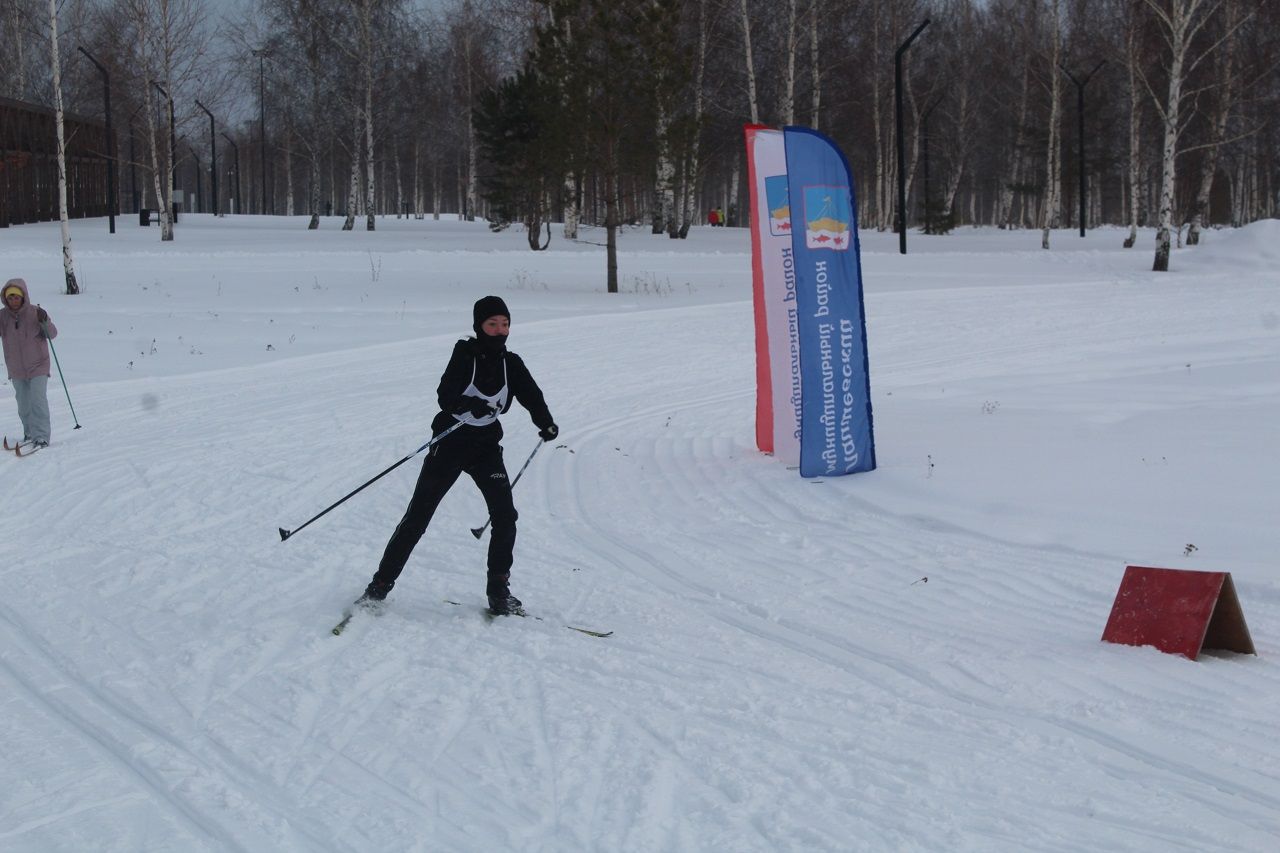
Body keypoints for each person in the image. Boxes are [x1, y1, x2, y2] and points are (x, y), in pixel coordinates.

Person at [358, 296, 558, 615]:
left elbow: (531, 395)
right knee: (418, 518)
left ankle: (498, 591)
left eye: (505, 324)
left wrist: (545, 422)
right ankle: (378, 587)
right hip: (450, 445)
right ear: (479, 326)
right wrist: (468, 405)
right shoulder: (465, 354)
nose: (499, 330)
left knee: (505, 517)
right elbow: (445, 395)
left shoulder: (512, 363)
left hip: (486, 449)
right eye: (492, 324)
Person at [1, 278, 57, 449]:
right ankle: (29, 432)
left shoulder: (35, 312)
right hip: (16, 368)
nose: (13, 301)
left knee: (37, 401)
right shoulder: (2, 316)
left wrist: (45, 320)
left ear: (23, 297)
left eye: (16, 297)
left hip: (38, 365)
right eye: (10, 298)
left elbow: (52, 334)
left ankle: (41, 437)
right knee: (23, 404)